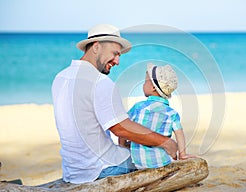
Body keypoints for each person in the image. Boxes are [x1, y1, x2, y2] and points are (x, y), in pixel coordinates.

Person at [51, 24, 178, 184]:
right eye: (115, 53)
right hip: (102, 168)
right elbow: (120, 129)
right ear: (96, 47)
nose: (117, 61)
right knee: (157, 156)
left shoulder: (61, 78)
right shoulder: (100, 82)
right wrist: (165, 142)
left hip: (73, 171)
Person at [119, 64, 196, 169]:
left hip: (138, 163)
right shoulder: (172, 113)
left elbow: (123, 127)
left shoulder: (138, 107)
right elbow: (179, 133)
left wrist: (123, 146)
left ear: (154, 88)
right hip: (162, 163)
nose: (143, 84)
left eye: (145, 81)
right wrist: (182, 154)